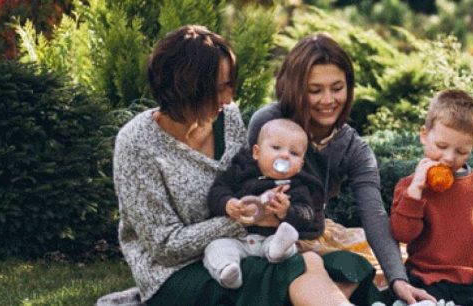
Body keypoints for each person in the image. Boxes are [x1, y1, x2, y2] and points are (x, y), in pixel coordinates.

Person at [111, 25, 376, 306]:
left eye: (230, 85)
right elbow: (165, 247)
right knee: (302, 268)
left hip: (249, 249)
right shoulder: (137, 142)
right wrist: (242, 220)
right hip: (176, 274)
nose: (229, 98)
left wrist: (279, 208)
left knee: (342, 264)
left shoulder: (227, 117)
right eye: (219, 88)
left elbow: (253, 179)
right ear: (185, 88)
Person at [248, 32, 435, 303]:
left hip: (315, 233)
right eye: (315, 90)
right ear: (295, 89)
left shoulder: (352, 147)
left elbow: (373, 213)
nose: (328, 100)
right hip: (265, 238)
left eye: (337, 88)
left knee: (366, 266)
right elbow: (241, 181)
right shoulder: (268, 123)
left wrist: (399, 280)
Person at [389, 89, 473, 306]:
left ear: (472, 146)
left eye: (461, 151)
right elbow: (403, 234)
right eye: (441, 147)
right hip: (431, 277)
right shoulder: (409, 186)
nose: (449, 158)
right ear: (424, 135)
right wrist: (416, 190)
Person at [203, 119, 324, 289]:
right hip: (238, 238)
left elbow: (307, 214)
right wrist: (227, 203)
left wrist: (286, 212)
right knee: (216, 247)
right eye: (276, 148)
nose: (284, 155)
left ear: (300, 166)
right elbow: (217, 190)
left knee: (287, 242)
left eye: (294, 153)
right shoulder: (241, 172)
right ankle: (228, 270)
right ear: (256, 152)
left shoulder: (297, 186)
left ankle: (278, 251)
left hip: (271, 238)